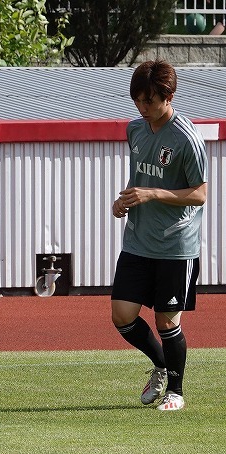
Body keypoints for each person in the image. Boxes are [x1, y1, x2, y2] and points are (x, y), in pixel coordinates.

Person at [111, 59, 207, 411]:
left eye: (150, 100)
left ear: (169, 96)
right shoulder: (135, 129)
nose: (143, 107)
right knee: (121, 315)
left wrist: (153, 194)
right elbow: (139, 176)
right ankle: (162, 365)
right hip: (137, 240)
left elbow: (200, 193)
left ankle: (177, 392)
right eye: (138, 100)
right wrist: (125, 198)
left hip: (174, 245)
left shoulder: (187, 138)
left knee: (167, 321)